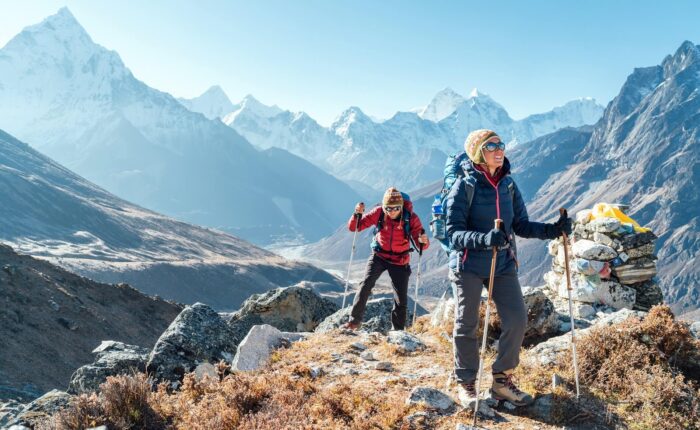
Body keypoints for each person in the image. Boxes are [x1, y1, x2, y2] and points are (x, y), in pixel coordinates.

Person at [445, 129, 572, 406]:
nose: (499, 150)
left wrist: (554, 230)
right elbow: (453, 234)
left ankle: (502, 381)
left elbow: (521, 225)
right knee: (466, 324)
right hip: (468, 264)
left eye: (501, 145)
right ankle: (466, 383)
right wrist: (483, 239)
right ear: (479, 153)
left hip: (501, 263)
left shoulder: (508, 185)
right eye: (491, 146)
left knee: (517, 319)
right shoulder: (464, 186)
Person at [343, 187, 429, 331]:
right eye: (388, 208)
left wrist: (423, 241)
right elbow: (355, 227)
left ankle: (398, 331)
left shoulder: (411, 218)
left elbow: (421, 245)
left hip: (400, 260)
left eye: (396, 208)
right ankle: (354, 322)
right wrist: (356, 214)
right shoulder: (379, 213)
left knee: (400, 298)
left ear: (401, 206)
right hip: (379, 255)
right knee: (365, 285)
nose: (392, 211)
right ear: (383, 207)